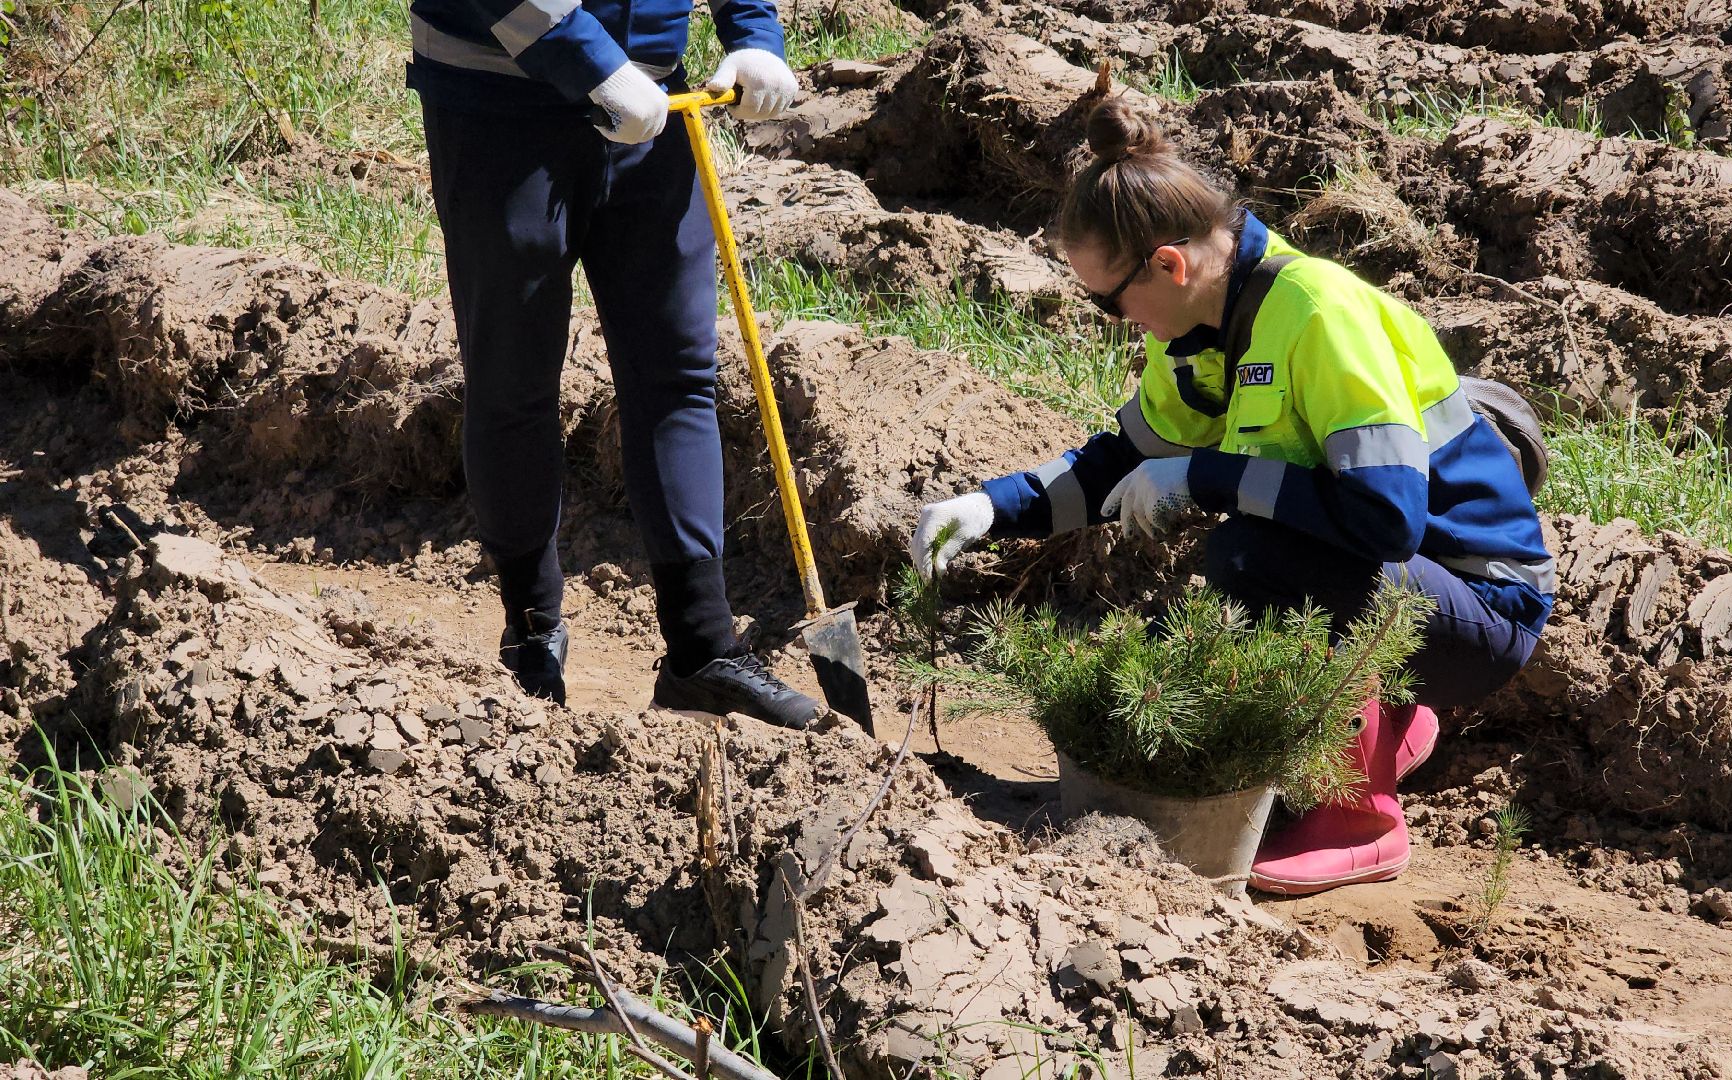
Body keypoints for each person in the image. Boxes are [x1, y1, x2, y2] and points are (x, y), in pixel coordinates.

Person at [911, 97, 1554, 896]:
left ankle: (1359, 817)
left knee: (1252, 553)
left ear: (1168, 265)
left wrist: (1206, 475)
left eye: (1108, 303)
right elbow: (1114, 465)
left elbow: (1387, 521)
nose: (1120, 325)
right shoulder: (1200, 336)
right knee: (1259, 545)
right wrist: (987, 507)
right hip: (1416, 592)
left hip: (1484, 612)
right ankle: (1386, 725)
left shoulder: (1314, 312)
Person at [408, 0, 820, 728]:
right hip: (499, 102)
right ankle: (531, 638)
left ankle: (702, 650)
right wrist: (590, 62)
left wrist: (753, 32)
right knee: (514, 377)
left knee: (678, 373)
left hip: (654, 105)